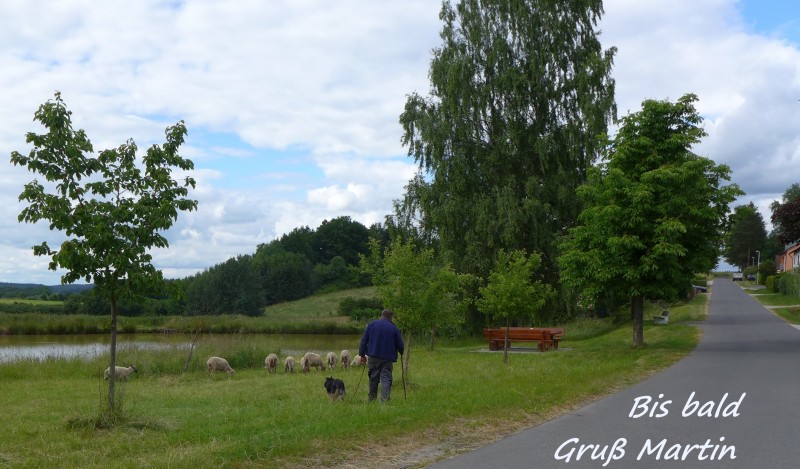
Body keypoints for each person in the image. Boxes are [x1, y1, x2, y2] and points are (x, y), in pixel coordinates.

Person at [358, 308, 404, 403]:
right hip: (387, 358)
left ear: (381, 315)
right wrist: (401, 351)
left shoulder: (372, 325)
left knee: (373, 378)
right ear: (391, 317)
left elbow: (363, 341)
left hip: (373, 356)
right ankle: (384, 401)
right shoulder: (394, 328)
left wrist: (362, 355)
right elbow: (400, 344)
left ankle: (372, 399)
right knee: (386, 378)